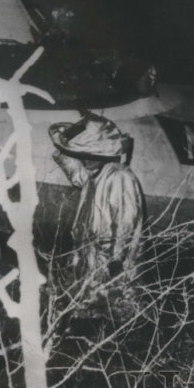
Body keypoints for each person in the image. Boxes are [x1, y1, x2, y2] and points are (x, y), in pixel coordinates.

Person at [49, 113, 145, 298]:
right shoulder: (93, 176)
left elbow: (124, 226)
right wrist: (64, 142)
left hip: (110, 270)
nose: (83, 159)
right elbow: (76, 172)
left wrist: (111, 267)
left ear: (99, 153)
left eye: (85, 154)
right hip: (91, 264)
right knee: (85, 312)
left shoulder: (119, 176)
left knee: (108, 317)